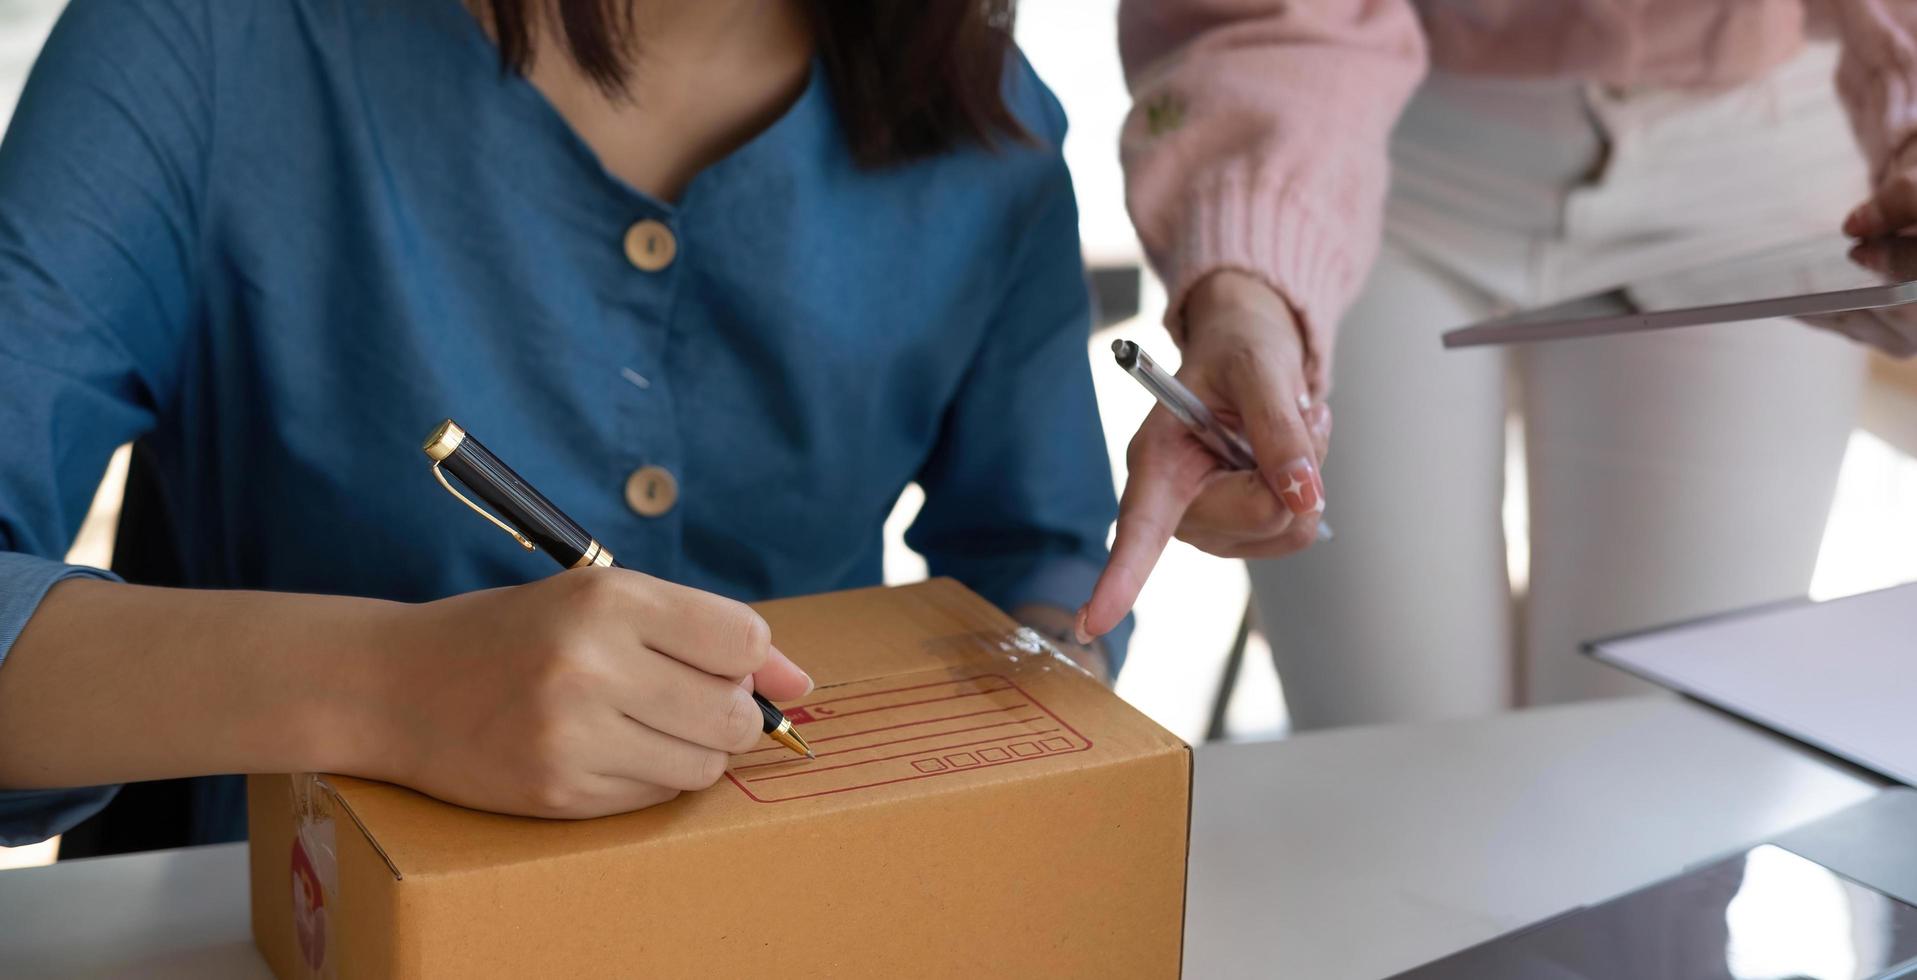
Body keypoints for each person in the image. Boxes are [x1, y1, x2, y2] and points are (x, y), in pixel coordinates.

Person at [0, 0, 1125, 847]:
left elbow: (1037, 553)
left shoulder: (991, 119)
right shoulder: (204, 40)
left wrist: (1047, 687)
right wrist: (395, 690)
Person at [1081, 0, 1917, 727]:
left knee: (1667, 767)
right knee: (1390, 756)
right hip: (1375, 143)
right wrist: (1247, 280)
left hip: (1766, 156)